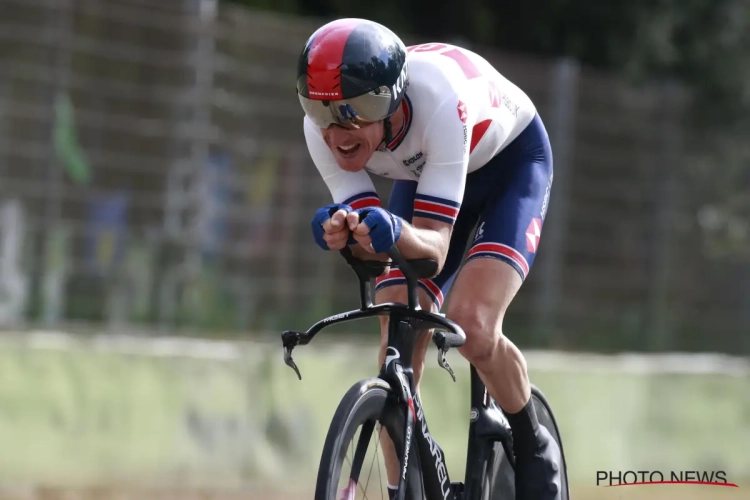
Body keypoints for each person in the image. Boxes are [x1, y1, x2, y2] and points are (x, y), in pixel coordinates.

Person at [297, 17, 560, 500]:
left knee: (473, 326)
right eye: (323, 110)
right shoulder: (322, 131)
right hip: (427, 173)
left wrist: (389, 230)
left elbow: (434, 251)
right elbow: (375, 252)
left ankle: (533, 442)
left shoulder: (437, 100)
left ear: (392, 98)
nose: (339, 130)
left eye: (357, 110)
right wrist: (345, 234)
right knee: (398, 318)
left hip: (508, 165)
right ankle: (408, 486)